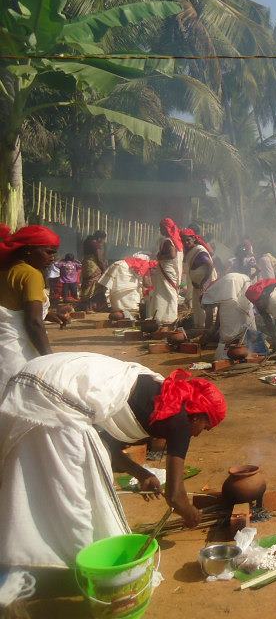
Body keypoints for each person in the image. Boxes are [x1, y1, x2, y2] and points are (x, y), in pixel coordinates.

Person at [0, 354, 225, 571]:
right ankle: (78, 562)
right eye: (205, 427)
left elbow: (105, 444)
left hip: (33, 378)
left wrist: (142, 473)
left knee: (34, 479)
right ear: (197, 414)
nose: (199, 434)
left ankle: (31, 554)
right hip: (55, 395)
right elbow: (175, 496)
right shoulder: (180, 421)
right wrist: (190, 513)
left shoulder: (161, 394)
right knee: (79, 493)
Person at [0, 224, 63, 383]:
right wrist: (50, 358)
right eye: (48, 252)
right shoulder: (31, 274)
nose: (52, 257)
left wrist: (47, 314)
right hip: (19, 348)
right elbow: (33, 322)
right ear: (28, 249)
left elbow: (12, 304)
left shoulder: (6, 271)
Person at [202, 272, 259, 359]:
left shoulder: (206, 298)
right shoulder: (213, 293)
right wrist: (213, 330)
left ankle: (226, 352)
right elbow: (219, 316)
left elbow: (210, 319)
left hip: (232, 283)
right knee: (245, 312)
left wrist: (206, 334)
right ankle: (250, 348)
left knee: (229, 323)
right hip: (243, 279)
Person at [146, 218, 184, 326]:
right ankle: (165, 317)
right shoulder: (176, 240)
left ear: (166, 228)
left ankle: (168, 318)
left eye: (161, 227)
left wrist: (159, 256)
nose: (160, 229)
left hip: (166, 270)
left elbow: (172, 255)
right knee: (167, 293)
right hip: (170, 271)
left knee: (167, 293)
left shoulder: (167, 241)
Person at [98, 254, 154, 319]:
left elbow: (107, 284)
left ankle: (121, 313)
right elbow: (146, 284)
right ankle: (124, 314)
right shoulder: (144, 265)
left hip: (118, 303)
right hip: (131, 305)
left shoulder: (120, 264)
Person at [181, 228, 217, 327]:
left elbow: (209, 265)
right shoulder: (191, 251)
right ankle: (200, 326)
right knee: (198, 306)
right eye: (183, 241)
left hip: (204, 283)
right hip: (197, 284)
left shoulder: (199, 250)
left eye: (188, 240)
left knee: (205, 305)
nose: (186, 242)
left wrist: (203, 282)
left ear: (193, 238)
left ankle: (205, 328)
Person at [78, 229, 107, 309]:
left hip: (86, 264)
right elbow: (100, 259)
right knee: (96, 284)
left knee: (87, 283)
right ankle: (93, 306)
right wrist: (104, 269)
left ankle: (85, 305)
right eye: (103, 240)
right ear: (100, 238)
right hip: (93, 265)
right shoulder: (96, 244)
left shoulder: (87, 241)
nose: (103, 242)